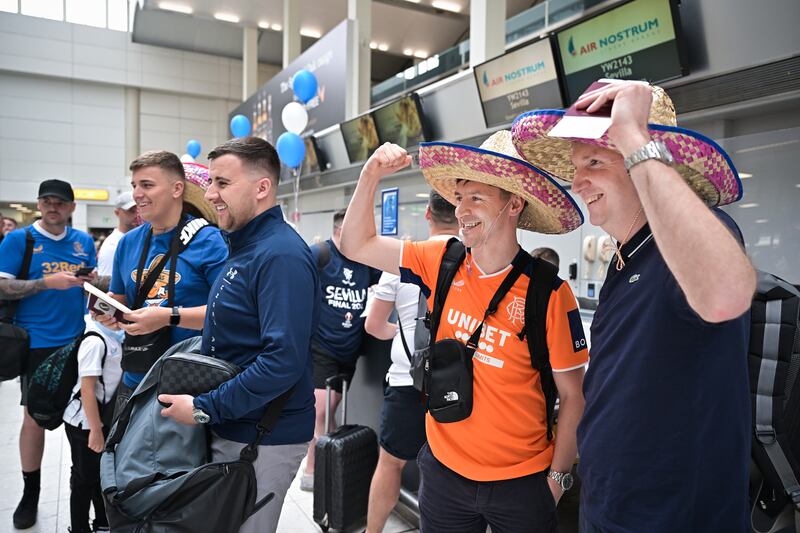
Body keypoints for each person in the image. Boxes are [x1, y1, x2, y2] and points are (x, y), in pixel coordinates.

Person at [511, 81, 756, 532]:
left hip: (673, 516)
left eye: (595, 162)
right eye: (575, 166)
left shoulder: (699, 234)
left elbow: (728, 294)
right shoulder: (627, 255)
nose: (578, 181)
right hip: (610, 505)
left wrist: (632, 134)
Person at [340, 132, 589, 532]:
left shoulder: (550, 293)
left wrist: (557, 481)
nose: (461, 211)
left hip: (522, 485)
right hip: (443, 476)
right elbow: (356, 244)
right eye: (459, 197)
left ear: (514, 203)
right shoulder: (441, 260)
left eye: (476, 197)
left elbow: (573, 396)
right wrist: (370, 173)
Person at [158, 136, 319, 533]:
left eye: (222, 184)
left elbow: (281, 361)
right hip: (238, 425)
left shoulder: (280, 255)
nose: (210, 194)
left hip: (264, 436)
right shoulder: (246, 247)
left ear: (262, 187)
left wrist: (204, 407)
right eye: (211, 183)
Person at [94, 151, 228, 417]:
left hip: (187, 381)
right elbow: (120, 299)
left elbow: (227, 314)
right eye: (134, 185)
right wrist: (107, 313)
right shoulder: (128, 243)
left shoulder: (210, 241)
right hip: (135, 375)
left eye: (147, 185)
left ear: (177, 188)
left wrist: (168, 317)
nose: (137, 194)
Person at [0, 179, 97, 529]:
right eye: (47, 201)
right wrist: (45, 283)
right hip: (37, 342)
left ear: (71, 208)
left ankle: (84, 489)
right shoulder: (20, 240)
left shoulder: (83, 241)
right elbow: (2, 284)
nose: (53, 207)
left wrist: (94, 282)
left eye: (60, 202)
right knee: (34, 418)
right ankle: (30, 494)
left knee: (81, 419)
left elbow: (89, 284)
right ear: (39, 205)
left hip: (76, 342)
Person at [363, 190, 458, 533]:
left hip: (405, 383)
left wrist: (400, 332)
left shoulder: (401, 263)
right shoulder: (473, 262)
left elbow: (373, 326)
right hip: (456, 390)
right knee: (451, 470)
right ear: (461, 214)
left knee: (390, 464)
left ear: (428, 215)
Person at [300, 210, 382, 491]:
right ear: (342, 230)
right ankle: (312, 470)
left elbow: (383, 288)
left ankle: (328, 460)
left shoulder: (366, 262)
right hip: (320, 346)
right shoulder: (320, 254)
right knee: (320, 412)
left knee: (330, 410)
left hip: (349, 348)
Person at [62, 316, 124, 533]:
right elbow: (87, 389)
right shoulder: (95, 341)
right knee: (83, 478)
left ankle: (102, 522)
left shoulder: (115, 336)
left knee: (98, 475)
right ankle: (79, 528)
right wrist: (95, 430)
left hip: (101, 420)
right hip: (84, 424)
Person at [96, 191, 138, 278]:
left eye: (139, 209)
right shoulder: (113, 245)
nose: (137, 215)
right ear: (117, 213)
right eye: (132, 211)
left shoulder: (139, 238)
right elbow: (106, 284)